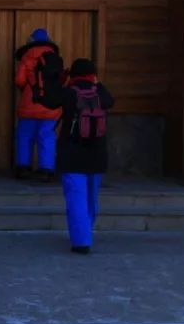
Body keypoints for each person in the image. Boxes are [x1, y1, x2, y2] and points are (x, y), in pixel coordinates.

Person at [41, 58, 114, 255]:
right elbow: (110, 101)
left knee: (76, 199)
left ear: (73, 74)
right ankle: (86, 232)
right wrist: (97, 83)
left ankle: (81, 241)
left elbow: (49, 100)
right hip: (97, 156)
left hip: (72, 155)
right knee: (91, 198)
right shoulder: (100, 93)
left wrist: (59, 80)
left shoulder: (69, 93)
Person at [13, 28, 63, 181]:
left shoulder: (27, 57)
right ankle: (46, 170)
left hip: (30, 103)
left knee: (25, 135)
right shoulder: (55, 57)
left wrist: (27, 90)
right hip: (52, 105)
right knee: (47, 136)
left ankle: (23, 168)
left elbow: (19, 80)